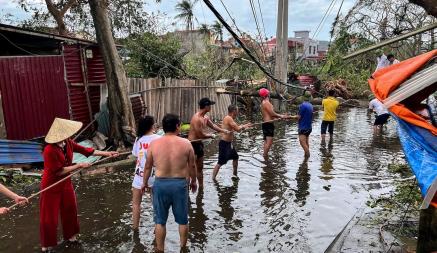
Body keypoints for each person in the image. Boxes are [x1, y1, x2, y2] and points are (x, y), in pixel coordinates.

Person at [40, 118, 118, 252]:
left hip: (66, 182)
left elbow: (87, 150)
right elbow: (59, 172)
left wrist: (107, 153)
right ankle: (47, 244)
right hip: (52, 184)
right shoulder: (49, 150)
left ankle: (71, 236)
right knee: (49, 216)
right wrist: (79, 165)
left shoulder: (68, 143)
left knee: (70, 208)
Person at [142, 114, 197, 253]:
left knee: (160, 221)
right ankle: (183, 248)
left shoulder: (154, 144)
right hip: (179, 185)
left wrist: (144, 183)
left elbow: (147, 167)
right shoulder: (186, 143)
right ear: (178, 126)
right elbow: (192, 166)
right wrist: (194, 181)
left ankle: (160, 249)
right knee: (183, 220)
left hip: (160, 184)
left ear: (163, 127)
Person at [188, 98, 230, 188]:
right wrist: (210, 135)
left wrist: (223, 130)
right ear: (206, 106)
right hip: (192, 145)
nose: (211, 107)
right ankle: (189, 187)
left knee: (200, 168)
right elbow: (200, 134)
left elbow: (213, 126)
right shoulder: (196, 118)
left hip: (199, 144)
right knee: (191, 167)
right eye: (210, 105)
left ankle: (201, 188)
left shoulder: (205, 117)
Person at [131, 116, 161, 230]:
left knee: (136, 204)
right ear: (152, 125)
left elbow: (135, 155)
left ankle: (135, 228)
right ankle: (157, 229)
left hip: (139, 175)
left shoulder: (138, 139)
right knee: (156, 206)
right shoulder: (159, 138)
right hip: (155, 176)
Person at [212, 105, 252, 181]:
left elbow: (237, 128)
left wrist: (243, 126)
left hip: (229, 144)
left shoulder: (230, 119)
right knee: (220, 162)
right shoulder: (229, 118)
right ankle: (213, 179)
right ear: (234, 111)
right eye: (237, 110)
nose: (238, 112)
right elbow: (237, 129)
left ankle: (234, 175)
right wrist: (244, 126)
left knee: (235, 157)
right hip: (224, 144)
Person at [260, 88, 288, 158]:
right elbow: (272, 114)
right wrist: (281, 116)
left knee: (266, 141)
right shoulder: (266, 103)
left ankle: (265, 155)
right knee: (269, 142)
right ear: (267, 95)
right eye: (268, 93)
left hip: (266, 123)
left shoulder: (263, 102)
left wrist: (279, 118)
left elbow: (269, 115)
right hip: (268, 124)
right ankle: (265, 156)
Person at [297, 92, 314, 157]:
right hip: (309, 127)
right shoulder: (311, 105)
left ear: (303, 97)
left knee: (302, 143)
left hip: (303, 127)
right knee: (306, 142)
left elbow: (299, 117)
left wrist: (292, 117)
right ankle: (305, 158)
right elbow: (311, 116)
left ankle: (308, 156)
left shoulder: (302, 105)